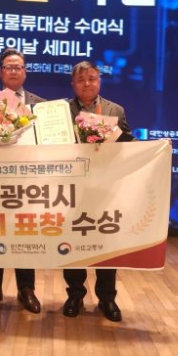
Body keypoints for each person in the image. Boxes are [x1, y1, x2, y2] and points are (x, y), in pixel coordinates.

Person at [63, 61, 135, 322]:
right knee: (73, 244)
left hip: (106, 189)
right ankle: (75, 295)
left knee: (106, 244)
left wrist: (157, 147)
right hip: (72, 190)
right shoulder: (61, 110)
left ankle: (107, 298)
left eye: (92, 78)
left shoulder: (116, 110)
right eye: (81, 80)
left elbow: (128, 143)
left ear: (99, 81)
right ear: (73, 84)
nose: (87, 84)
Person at [0, 48, 45, 314]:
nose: (13, 71)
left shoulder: (41, 105)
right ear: (0, 72)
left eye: (18, 67)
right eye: (8, 67)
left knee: (24, 234)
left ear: (25, 72)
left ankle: (26, 290)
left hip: (28, 183)